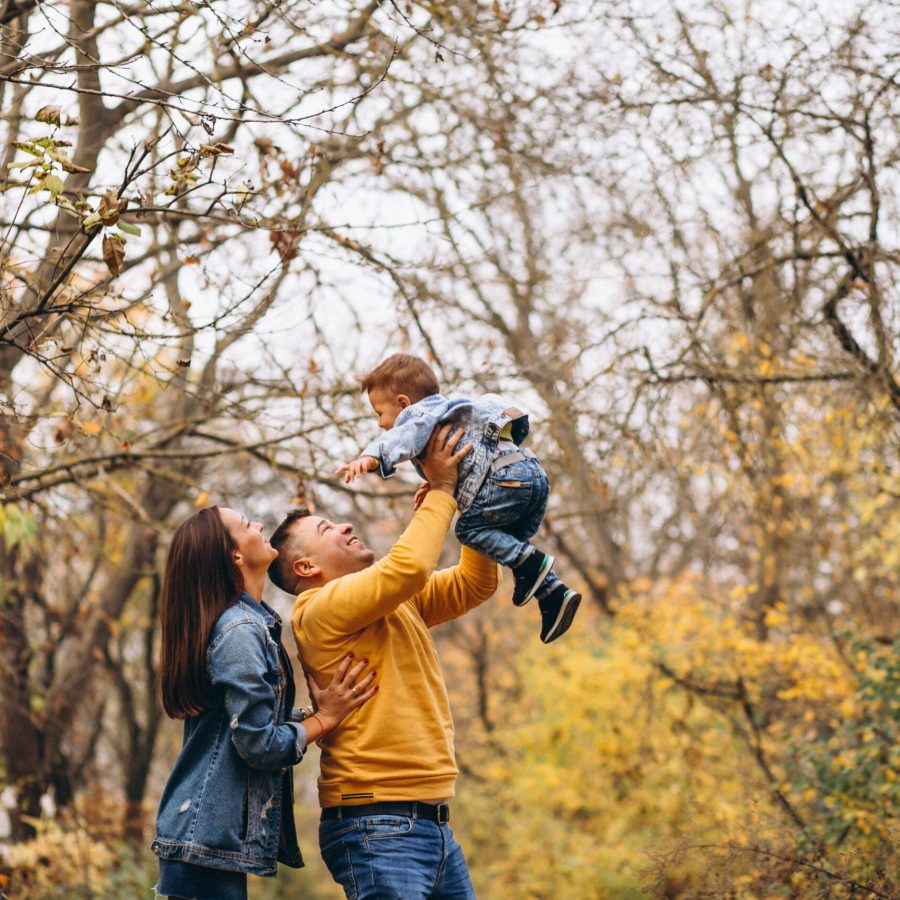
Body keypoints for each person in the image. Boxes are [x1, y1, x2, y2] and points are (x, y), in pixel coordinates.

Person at [267, 426, 496, 899]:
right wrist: (443, 493)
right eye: (328, 530)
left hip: (430, 823)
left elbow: (476, 585)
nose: (346, 526)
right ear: (306, 568)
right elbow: (407, 568)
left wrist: (469, 507)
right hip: (376, 823)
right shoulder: (318, 610)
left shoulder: (392, 601)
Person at [151, 506, 377, 900]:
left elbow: (236, 724)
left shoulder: (249, 624)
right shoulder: (240, 630)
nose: (258, 524)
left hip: (201, 840)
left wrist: (309, 715)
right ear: (235, 555)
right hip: (203, 842)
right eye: (245, 524)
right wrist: (325, 719)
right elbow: (258, 744)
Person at [336, 352, 581, 643]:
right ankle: (553, 593)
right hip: (530, 475)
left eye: (380, 414)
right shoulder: (452, 415)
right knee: (506, 541)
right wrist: (438, 484)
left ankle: (533, 565)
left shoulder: (418, 415)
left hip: (504, 481)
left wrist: (371, 457)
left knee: (469, 530)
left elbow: (401, 437)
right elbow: (468, 458)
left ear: (403, 404)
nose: (380, 424)